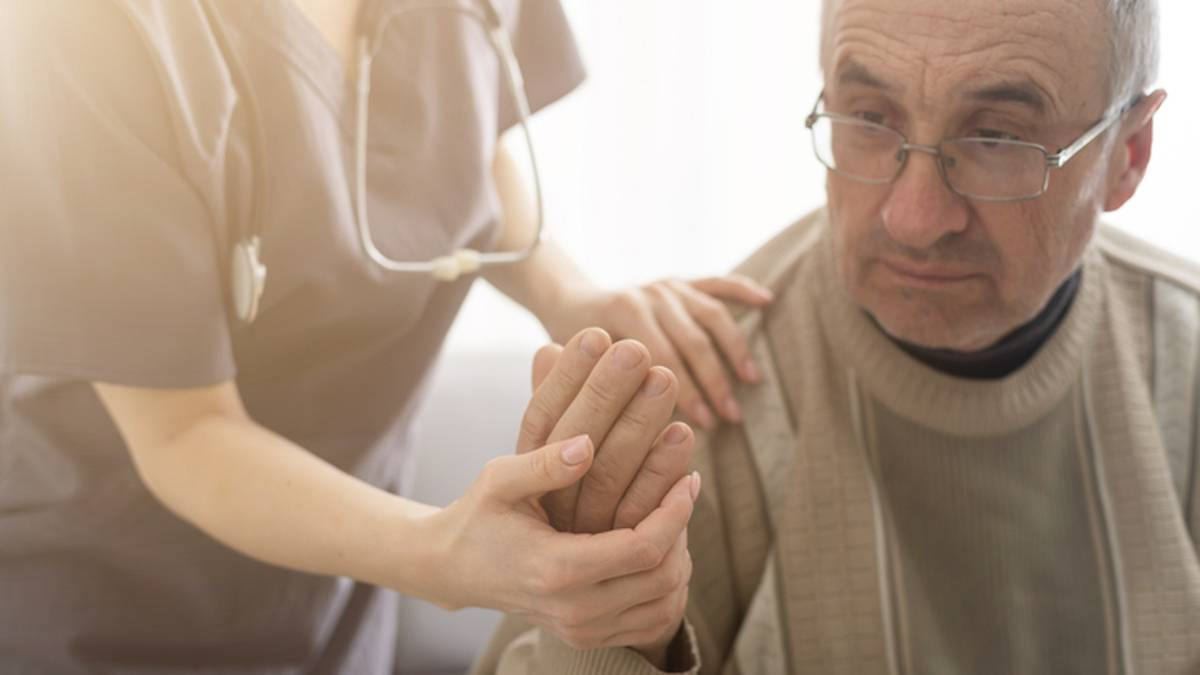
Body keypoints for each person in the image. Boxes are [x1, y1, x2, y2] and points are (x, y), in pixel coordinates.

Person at [0, 0, 770, 672]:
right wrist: (443, 553)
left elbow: (470, 123)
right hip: (99, 611)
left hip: (337, 609)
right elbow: (185, 433)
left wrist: (564, 292)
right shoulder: (87, 24)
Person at [472, 0, 1200, 672]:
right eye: (870, 118)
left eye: (995, 136)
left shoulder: (1186, 365)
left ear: (1129, 154)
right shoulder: (696, 397)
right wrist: (606, 630)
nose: (913, 219)